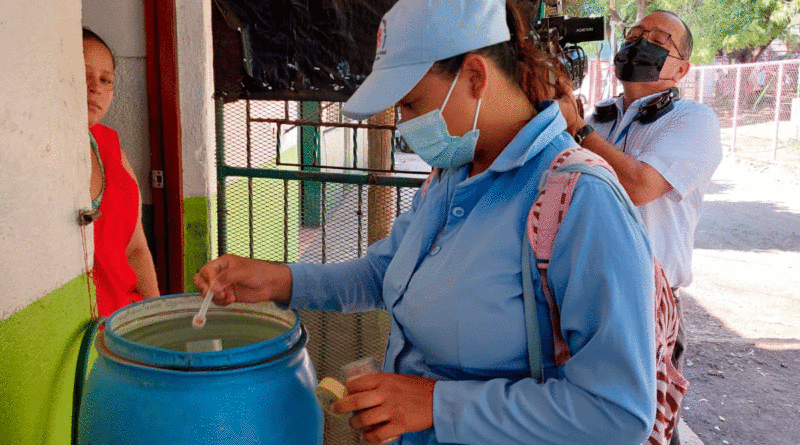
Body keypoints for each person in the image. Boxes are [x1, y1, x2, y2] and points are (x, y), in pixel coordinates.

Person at [195, 1, 657, 444]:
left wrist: (438, 404)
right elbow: (386, 273)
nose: (403, 124)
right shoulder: (452, 175)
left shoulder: (580, 200)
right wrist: (279, 280)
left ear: (476, 75)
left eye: (413, 104)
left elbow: (617, 413)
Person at [558, 11, 723, 445]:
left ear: (682, 68)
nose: (640, 42)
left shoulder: (694, 121)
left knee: (640, 426)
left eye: (657, 37)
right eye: (633, 35)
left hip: (647, 304)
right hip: (582, 295)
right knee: (581, 418)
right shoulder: (599, 119)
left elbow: (638, 185)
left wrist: (576, 131)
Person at [84, 28, 159, 316]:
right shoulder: (40, 154)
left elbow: (136, 249)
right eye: (82, 75)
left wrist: (156, 317)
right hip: (83, 337)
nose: (95, 87)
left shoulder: (110, 146)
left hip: (127, 322)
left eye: (106, 80)